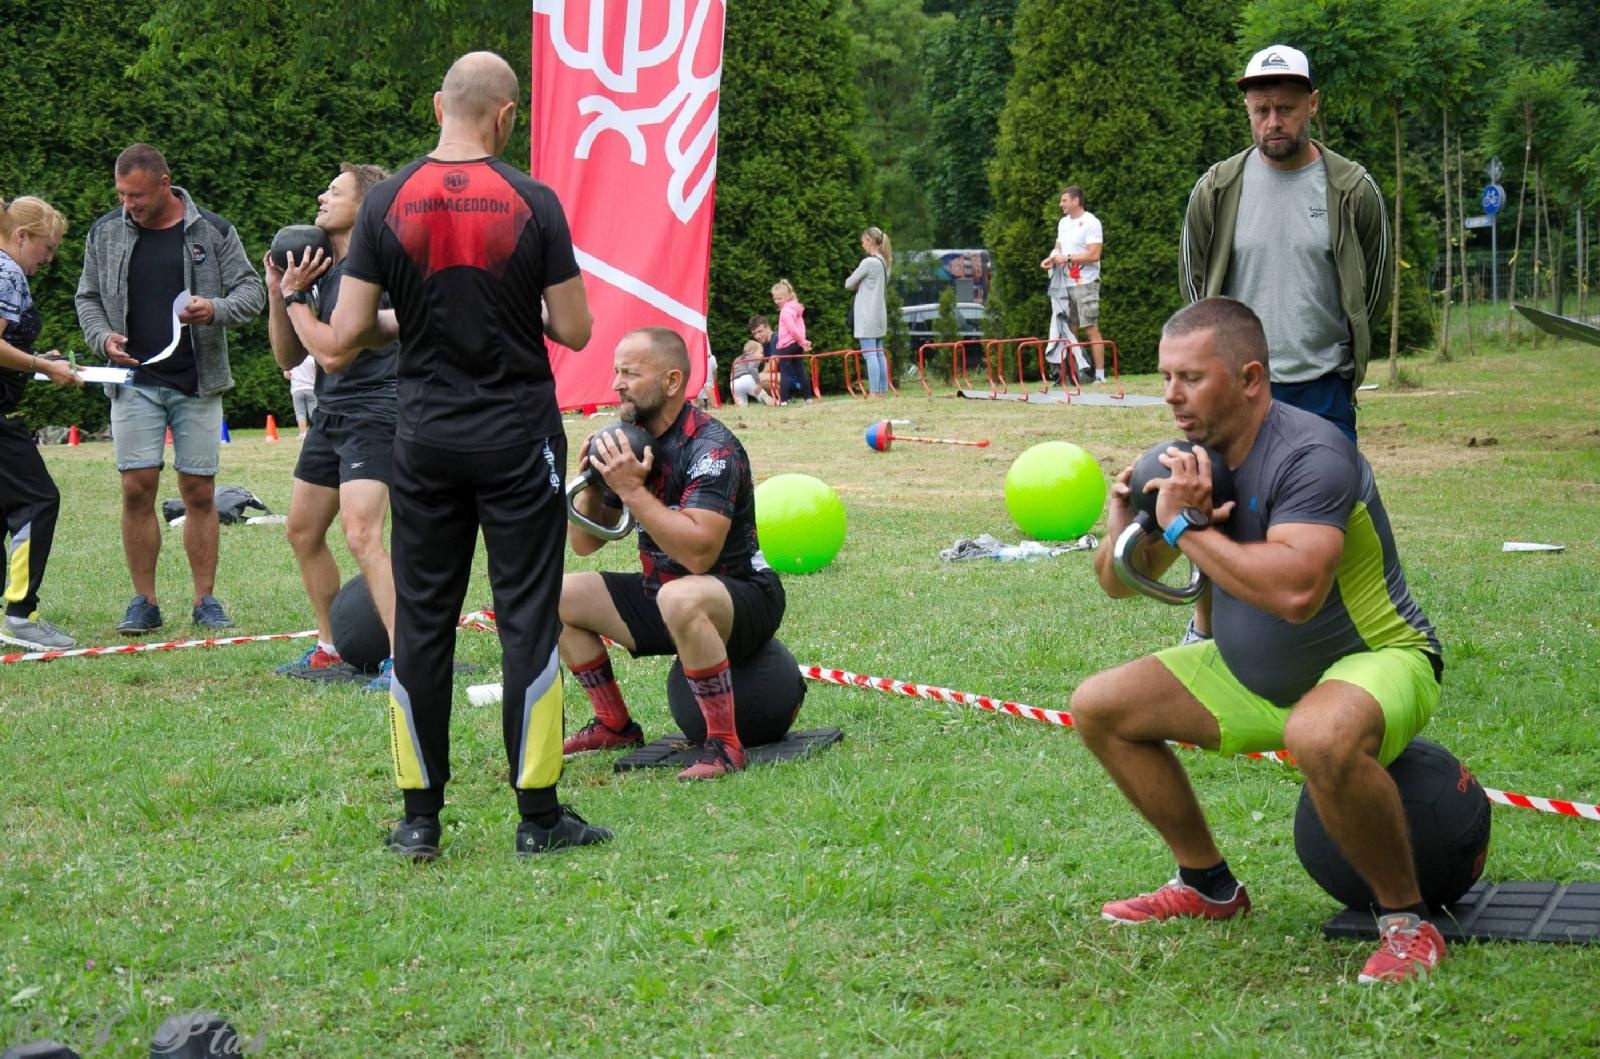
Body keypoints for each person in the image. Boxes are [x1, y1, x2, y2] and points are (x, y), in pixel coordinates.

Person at [1073, 297, 1447, 985]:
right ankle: (1208, 883)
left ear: (1249, 378)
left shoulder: (1314, 453)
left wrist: (1186, 530)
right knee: (1098, 705)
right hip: (1250, 674)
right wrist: (1127, 518)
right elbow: (1119, 582)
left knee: (1319, 734)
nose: (1171, 396)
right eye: (1165, 377)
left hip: (1378, 660)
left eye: (1190, 377)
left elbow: (1296, 592)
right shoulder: (1186, 462)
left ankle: (1406, 923)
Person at [325, 51, 610, 860]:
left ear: (436, 105)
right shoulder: (535, 201)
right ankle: (539, 816)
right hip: (517, 433)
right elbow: (577, 329)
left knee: (422, 621)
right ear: (507, 115)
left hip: (422, 437)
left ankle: (420, 818)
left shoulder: (385, 202)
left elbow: (348, 335)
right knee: (527, 620)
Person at [560, 326, 784, 781]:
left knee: (680, 595)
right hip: (663, 591)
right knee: (554, 594)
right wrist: (595, 482)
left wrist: (631, 490)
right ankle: (614, 725)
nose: (617, 384)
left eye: (630, 373)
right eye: (616, 372)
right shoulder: (629, 442)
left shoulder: (712, 447)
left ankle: (724, 745)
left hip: (742, 595)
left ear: (672, 382)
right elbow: (584, 544)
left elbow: (700, 554)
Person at [75, 143, 265, 635]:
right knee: (136, 488)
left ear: (164, 184)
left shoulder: (214, 231)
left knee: (198, 491)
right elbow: (88, 297)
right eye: (121, 195)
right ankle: (144, 601)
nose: (127, 205)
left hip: (197, 382)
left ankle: (205, 600)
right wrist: (102, 338)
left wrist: (214, 309)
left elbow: (252, 292)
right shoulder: (105, 232)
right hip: (134, 381)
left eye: (136, 195)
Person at [1181, 44, 1390, 445]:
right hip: (1238, 389)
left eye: (1286, 109)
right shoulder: (1216, 189)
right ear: (1247, 110)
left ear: (1312, 104)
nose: (1273, 122)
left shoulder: (1353, 190)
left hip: (1324, 391)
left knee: (1323, 507)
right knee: (1239, 507)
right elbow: (1196, 291)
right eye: (1262, 110)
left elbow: (1372, 293)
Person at [264, 163, 400, 692]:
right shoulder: (326, 270)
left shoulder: (373, 268)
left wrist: (299, 300)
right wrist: (281, 293)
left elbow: (337, 353)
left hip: (377, 410)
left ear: (365, 206)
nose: (321, 196)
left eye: (335, 191)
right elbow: (289, 353)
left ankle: (402, 660)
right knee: (301, 530)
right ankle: (328, 647)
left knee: (363, 533)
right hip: (332, 412)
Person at [0, 196, 83, 651]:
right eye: (46, 248)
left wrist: (36, 363)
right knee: (38, 501)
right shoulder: (7, 272)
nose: (48, 259)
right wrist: (43, 366)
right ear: (21, 236)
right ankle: (20, 614)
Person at [1038, 186, 1105, 384]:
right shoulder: (1063, 223)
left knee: (1090, 328)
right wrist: (1051, 258)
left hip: (1085, 282)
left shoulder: (1091, 222)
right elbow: (1058, 247)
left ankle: (1100, 376)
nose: (1061, 204)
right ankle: (1072, 375)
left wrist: (1065, 258)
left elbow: (1094, 255)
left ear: (1076, 201)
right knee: (1069, 330)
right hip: (1064, 284)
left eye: (1064, 200)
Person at [845, 227, 891, 394]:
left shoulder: (868, 262)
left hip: (866, 315)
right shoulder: (885, 262)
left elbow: (849, 283)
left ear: (870, 240)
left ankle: (874, 391)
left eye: (863, 240)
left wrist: (858, 282)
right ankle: (882, 390)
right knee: (879, 354)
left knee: (870, 354)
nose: (862, 244)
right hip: (879, 314)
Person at [769, 280, 813, 403]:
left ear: (788, 296)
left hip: (787, 344)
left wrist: (803, 341)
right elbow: (801, 327)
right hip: (797, 344)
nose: (777, 301)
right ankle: (808, 398)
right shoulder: (795, 308)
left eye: (780, 298)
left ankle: (783, 400)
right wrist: (802, 341)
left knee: (784, 372)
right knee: (800, 370)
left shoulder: (785, 311)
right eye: (775, 299)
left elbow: (792, 329)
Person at [729, 338, 774, 407]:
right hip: (746, 378)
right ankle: (773, 403)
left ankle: (741, 403)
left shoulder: (737, 359)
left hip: (734, 382)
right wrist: (758, 383)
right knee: (763, 396)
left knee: (742, 403)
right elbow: (751, 368)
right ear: (752, 351)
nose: (763, 355)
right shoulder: (751, 357)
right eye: (761, 352)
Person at [284, 355, 316, 439]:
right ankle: (314, 433)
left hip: (297, 389)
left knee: (300, 413)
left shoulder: (291, 360)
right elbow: (317, 374)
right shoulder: (312, 359)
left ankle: (303, 433)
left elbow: (286, 375)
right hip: (311, 388)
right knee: (313, 412)